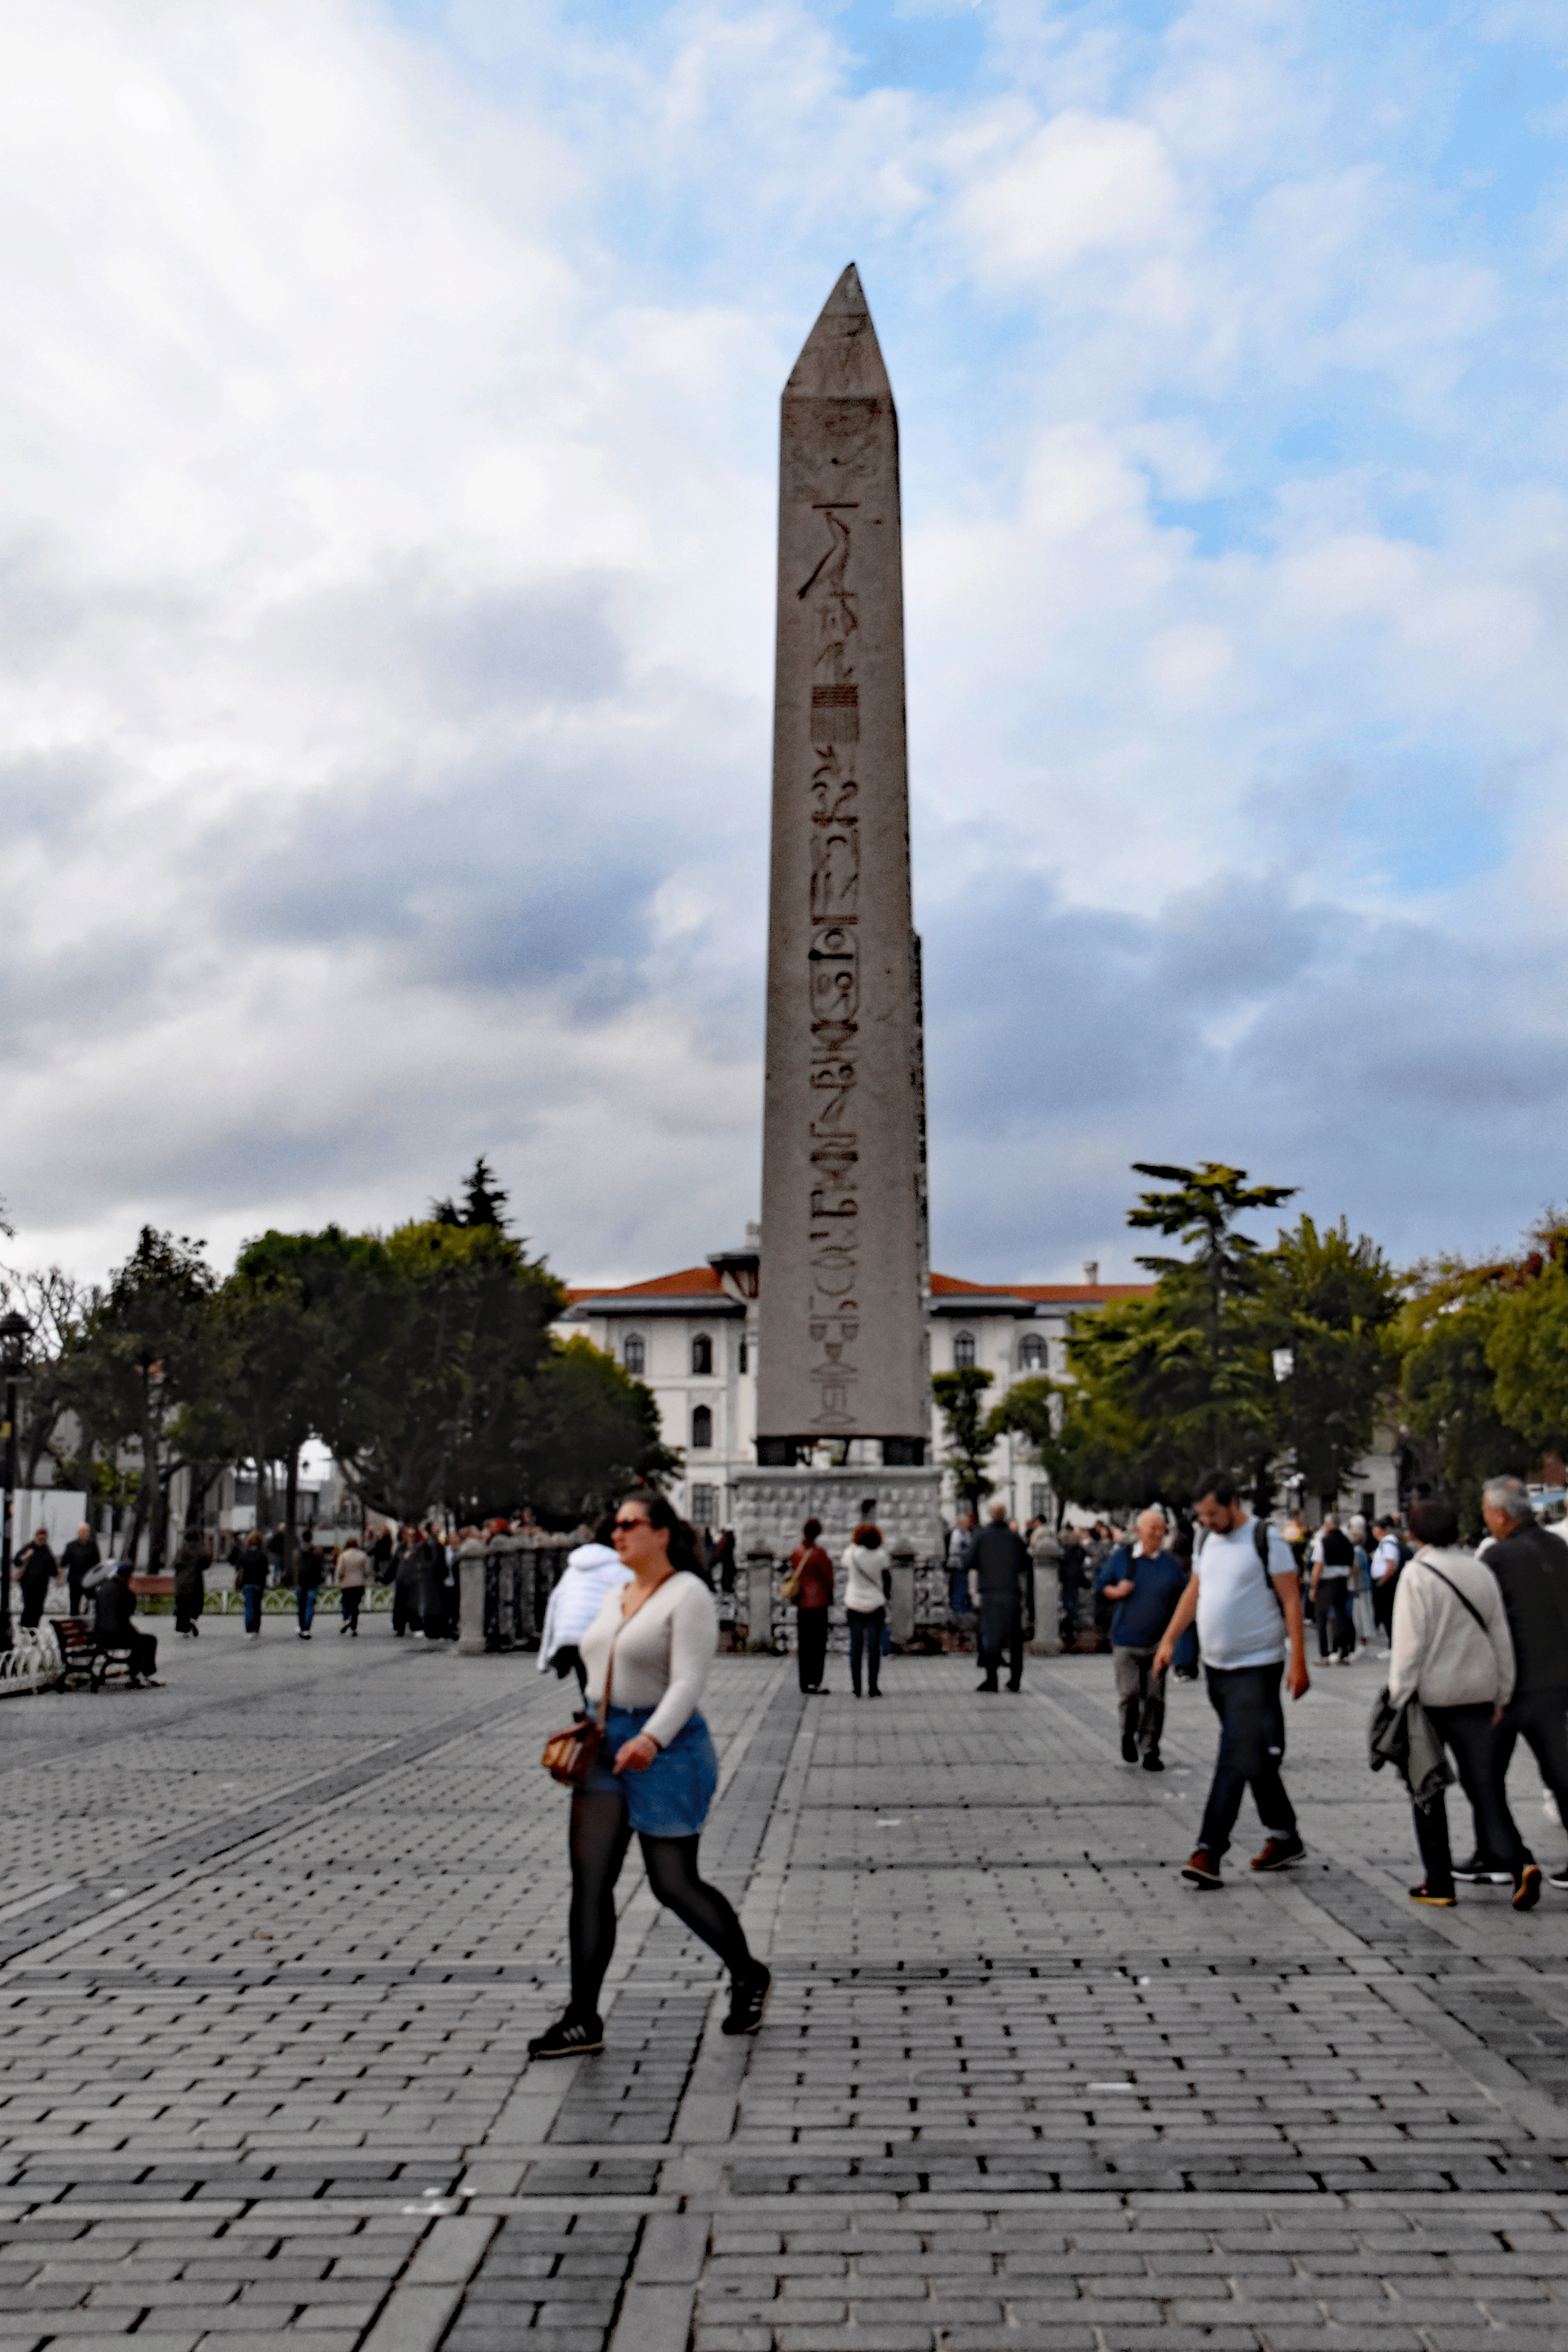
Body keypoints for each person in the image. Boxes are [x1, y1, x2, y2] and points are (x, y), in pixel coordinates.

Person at [527, 1490, 770, 2060]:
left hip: (668, 1751)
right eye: (615, 1526)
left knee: (672, 1883)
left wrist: (650, 1737)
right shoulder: (618, 1593)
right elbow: (597, 1658)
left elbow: (687, 1682)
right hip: (605, 1746)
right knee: (591, 1883)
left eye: (630, 1525)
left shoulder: (688, 1597)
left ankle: (748, 1972)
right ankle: (582, 2017)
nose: (618, 1534)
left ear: (661, 1534)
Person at [1154, 1470, 1310, 1888]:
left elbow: (1291, 1598)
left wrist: (1299, 1661)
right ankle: (1284, 1834)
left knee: (1234, 1754)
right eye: (1200, 1515)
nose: (1205, 1521)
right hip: (1217, 1668)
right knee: (1252, 1752)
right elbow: (1195, 1590)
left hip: (1257, 1666)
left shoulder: (1265, 1538)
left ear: (1231, 1504)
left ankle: (1209, 1849)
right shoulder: (1206, 1540)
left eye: (1212, 1513)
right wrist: (1170, 1639)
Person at [1389, 1495, 1539, 1909]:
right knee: (1485, 1788)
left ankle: (1438, 1882)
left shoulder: (1416, 1575)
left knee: (1426, 1788)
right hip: (1478, 1695)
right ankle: (1520, 1863)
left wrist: (1399, 1697)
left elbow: (1408, 1646)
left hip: (1432, 1698)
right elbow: (1500, 1638)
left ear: (1415, 1533)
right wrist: (1503, 1692)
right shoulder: (1479, 1569)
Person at [1468, 1476, 1568, 1893]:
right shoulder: (1557, 1548)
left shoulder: (1497, 1557)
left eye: (1487, 1512)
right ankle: (1495, 1853)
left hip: (1513, 1685)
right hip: (1557, 1681)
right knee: (1560, 1772)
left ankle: (1508, 1855)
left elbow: (1484, 1621)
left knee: (1483, 1774)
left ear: (1501, 1514)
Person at [1096, 1506, 1189, 1771]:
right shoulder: (1123, 1558)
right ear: (1138, 1532)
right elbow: (1101, 1586)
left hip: (1158, 1642)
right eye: (1153, 1529)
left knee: (1156, 1698)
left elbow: (1182, 1600)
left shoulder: (1170, 1564)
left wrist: (1175, 1639)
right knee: (1130, 1694)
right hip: (1126, 1639)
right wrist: (1117, 1592)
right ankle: (1128, 1735)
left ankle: (1150, 1749)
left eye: (1162, 1529)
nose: (1159, 1534)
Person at [540, 1515, 632, 1697]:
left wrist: (546, 1658)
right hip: (599, 1638)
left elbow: (554, 1604)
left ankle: (592, 1711)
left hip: (569, 1637)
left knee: (588, 1686)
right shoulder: (620, 1568)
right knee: (608, 1692)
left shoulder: (574, 1568)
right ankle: (600, 1716)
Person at [968, 1501, 1031, 1693]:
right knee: (1015, 1638)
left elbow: (971, 1564)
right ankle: (1015, 1679)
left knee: (991, 1637)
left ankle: (992, 1680)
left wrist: (974, 1593)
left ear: (990, 1515)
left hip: (989, 1592)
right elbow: (1025, 1566)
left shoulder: (981, 1538)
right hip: (1011, 1592)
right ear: (1005, 1517)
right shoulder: (1015, 1538)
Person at [788, 1517, 835, 1694]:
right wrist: (831, 1596)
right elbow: (828, 1578)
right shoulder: (820, 1554)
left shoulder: (797, 1552)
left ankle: (804, 1681)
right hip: (819, 1602)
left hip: (802, 1602)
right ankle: (816, 1681)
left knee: (804, 1643)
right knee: (818, 1644)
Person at [93, 1561, 160, 1686]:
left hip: (101, 1636)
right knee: (149, 1641)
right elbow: (127, 1613)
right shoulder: (123, 1590)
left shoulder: (104, 1587)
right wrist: (133, 1594)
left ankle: (137, 1673)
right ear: (128, 1577)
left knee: (138, 1640)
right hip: (116, 1636)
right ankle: (143, 1674)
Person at [841, 1522, 888, 1698]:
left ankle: (856, 1687)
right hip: (876, 1603)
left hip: (854, 1603)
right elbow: (886, 1573)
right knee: (874, 1648)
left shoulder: (851, 1553)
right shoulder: (881, 1555)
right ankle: (873, 1687)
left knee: (856, 1646)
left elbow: (845, 1563)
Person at [1311, 1514, 1356, 1665]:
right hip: (1342, 1582)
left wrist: (1313, 1587)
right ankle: (1344, 1654)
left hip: (1327, 1582)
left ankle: (1324, 1655)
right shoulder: (1348, 1542)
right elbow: (1354, 1567)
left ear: (1329, 1525)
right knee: (1341, 1616)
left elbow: (1318, 1567)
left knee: (1322, 1618)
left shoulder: (1322, 1542)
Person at [16, 1530, 58, 1629]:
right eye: (40, 1539)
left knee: (38, 1609)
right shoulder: (29, 1548)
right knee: (29, 1607)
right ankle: (25, 1627)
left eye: (44, 1539)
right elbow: (17, 1561)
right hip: (28, 1585)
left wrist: (56, 1571)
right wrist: (25, 1557)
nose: (41, 1541)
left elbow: (53, 1571)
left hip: (42, 1586)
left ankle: (34, 1628)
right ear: (36, 1538)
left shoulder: (47, 1551)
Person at [1371, 1517, 1404, 1640]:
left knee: (1387, 1613)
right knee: (1385, 1613)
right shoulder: (1384, 1544)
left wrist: (1382, 1582)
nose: (1373, 1531)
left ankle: (1392, 1643)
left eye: (1375, 1528)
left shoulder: (1388, 1544)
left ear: (1381, 1530)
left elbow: (1390, 1567)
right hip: (1384, 1582)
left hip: (1386, 1584)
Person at [61, 1523, 101, 1615]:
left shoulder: (93, 1546)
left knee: (91, 1603)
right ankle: (74, 1621)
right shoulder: (71, 1546)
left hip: (89, 1580)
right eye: (82, 1532)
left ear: (89, 1533)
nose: (84, 1534)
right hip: (75, 1580)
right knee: (75, 1605)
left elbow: (98, 1562)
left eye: (86, 1532)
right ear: (79, 1533)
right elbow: (64, 1562)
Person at [173, 1533, 207, 1637]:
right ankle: (192, 1620)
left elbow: (175, 1564)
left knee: (182, 1606)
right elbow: (206, 1563)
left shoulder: (181, 1550)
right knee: (196, 1603)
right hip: (195, 1583)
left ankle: (185, 1628)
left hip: (182, 1583)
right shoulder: (200, 1550)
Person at [336, 1532, 370, 1635]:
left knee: (346, 1604)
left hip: (347, 1584)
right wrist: (364, 1577)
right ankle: (354, 1628)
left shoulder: (343, 1555)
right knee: (355, 1606)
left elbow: (340, 1570)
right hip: (359, 1584)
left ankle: (346, 1620)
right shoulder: (363, 1555)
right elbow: (367, 1570)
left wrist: (340, 1579)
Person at [946, 1512, 976, 1619]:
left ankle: (962, 1609)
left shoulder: (965, 1533)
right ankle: (958, 1611)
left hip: (964, 1565)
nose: (968, 1525)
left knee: (963, 1588)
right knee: (959, 1588)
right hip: (958, 1566)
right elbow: (958, 1548)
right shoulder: (958, 1534)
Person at [238, 1532, 269, 1634]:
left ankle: (249, 1629)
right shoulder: (263, 1556)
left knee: (249, 1607)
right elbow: (266, 1572)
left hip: (247, 1584)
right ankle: (256, 1628)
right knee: (257, 1606)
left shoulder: (244, 1555)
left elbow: (239, 1569)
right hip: (259, 1584)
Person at [295, 1531, 324, 1639]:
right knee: (310, 1606)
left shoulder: (297, 1551)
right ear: (311, 1538)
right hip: (313, 1582)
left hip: (301, 1581)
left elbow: (295, 1566)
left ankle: (301, 1627)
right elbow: (319, 1567)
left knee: (301, 1606)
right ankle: (307, 1630)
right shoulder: (316, 1551)